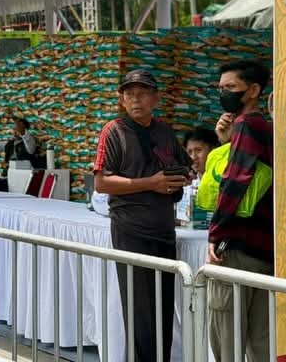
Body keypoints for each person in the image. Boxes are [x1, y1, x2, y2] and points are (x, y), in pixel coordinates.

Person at [94, 69, 191, 362]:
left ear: (156, 98)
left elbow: (185, 167)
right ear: (122, 99)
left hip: (163, 228)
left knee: (162, 306)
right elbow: (101, 183)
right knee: (140, 311)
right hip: (131, 229)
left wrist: (179, 179)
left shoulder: (164, 131)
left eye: (143, 93)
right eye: (130, 94)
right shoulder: (114, 130)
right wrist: (151, 183)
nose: (136, 99)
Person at [207, 60, 274, 362]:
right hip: (265, 252)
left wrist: (215, 233)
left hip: (239, 250)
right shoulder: (266, 128)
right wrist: (226, 142)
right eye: (221, 88)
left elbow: (234, 182)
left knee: (228, 339)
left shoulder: (248, 125)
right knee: (262, 341)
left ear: (254, 90)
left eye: (231, 88)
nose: (224, 94)